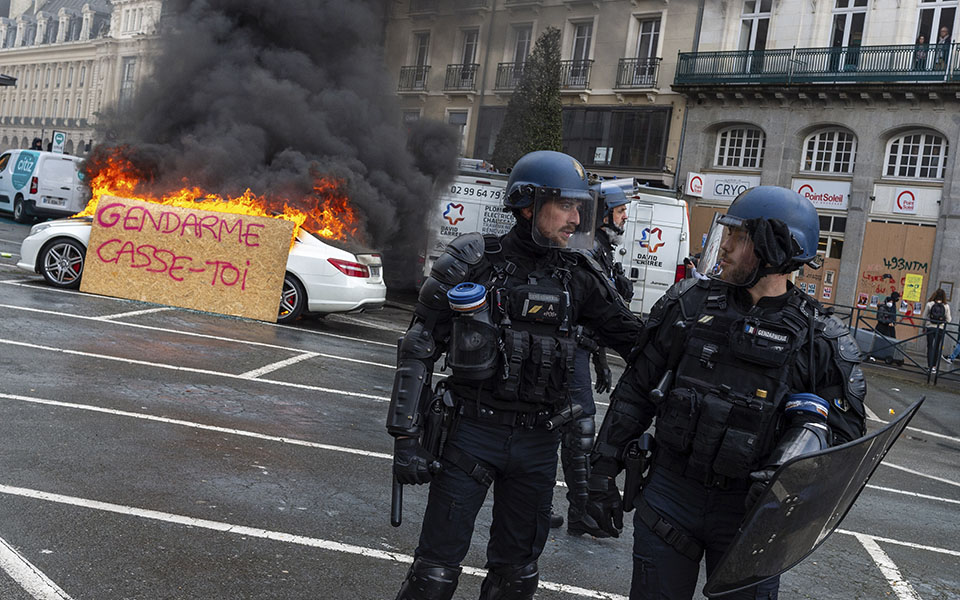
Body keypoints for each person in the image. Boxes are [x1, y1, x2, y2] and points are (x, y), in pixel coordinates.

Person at [586, 186, 867, 600]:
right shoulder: (688, 305)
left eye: (739, 237)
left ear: (774, 250)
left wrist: (789, 482)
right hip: (670, 496)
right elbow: (636, 391)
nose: (725, 247)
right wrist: (601, 471)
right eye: (728, 234)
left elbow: (843, 443)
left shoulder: (820, 340)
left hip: (750, 516)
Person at [387, 150, 643, 600]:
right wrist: (406, 438)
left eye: (579, 207)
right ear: (528, 205)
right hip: (470, 434)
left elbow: (640, 345)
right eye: (565, 205)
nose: (575, 218)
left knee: (517, 577)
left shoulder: (578, 275)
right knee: (434, 574)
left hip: (538, 445)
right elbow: (419, 344)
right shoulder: (473, 262)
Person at [550, 183, 635, 537]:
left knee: (569, 427)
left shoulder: (600, 250)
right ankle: (578, 511)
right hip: (569, 352)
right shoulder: (587, 250)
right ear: (603, 215)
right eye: (620, 212)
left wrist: (600, 359)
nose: (625, 218)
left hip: (580, 350)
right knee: (578, 427)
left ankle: (567, 508)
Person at [922, 288, 951, 373]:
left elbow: (924, 317)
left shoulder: (929, 304)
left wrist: (923, 327)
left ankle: (929, 366)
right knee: (937, 347)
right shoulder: (946, 306)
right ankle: (934, 367)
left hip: (930, 327)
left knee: (930, 346)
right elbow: (949, 320)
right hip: (940, 328)